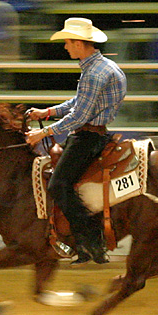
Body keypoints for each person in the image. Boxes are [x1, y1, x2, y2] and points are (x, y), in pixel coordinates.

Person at [25, 18, 127, 265]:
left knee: (58, 185)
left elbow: (80, 114)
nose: (65, 47)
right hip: (94, 133)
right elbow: (77, 104)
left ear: (80, 43)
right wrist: (47, 112)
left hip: (88, 137)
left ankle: (91, 242)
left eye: (68, 42)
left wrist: (43, 133)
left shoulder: (93, 74)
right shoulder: (102, 67)